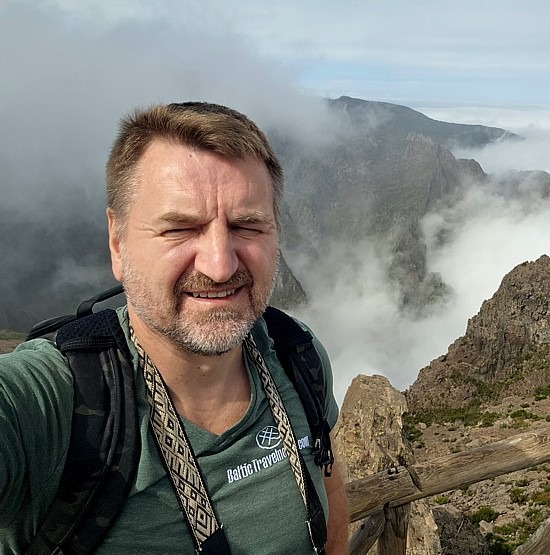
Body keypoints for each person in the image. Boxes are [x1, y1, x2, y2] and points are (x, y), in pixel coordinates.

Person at [0, 102, 349, 554]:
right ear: (118, 242)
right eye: (180, 229)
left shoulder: (296, 354)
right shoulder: (54, 403)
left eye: (247, 225)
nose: (221, 266)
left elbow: (329, 487)